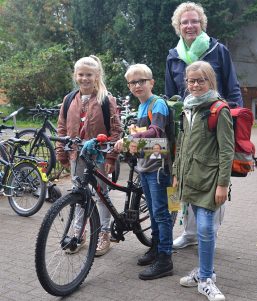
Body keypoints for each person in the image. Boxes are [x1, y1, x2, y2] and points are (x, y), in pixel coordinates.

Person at [165, 1, 243, 250]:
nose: (189, 25)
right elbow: (170, 96)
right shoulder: (173, 56)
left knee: (212, 178)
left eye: (194, 21)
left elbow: (232, 88)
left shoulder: (217, 50)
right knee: (185, 177)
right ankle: (189, 234)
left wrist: (231, 120)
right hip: (186, 126)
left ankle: (209, 233)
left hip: (212, 123)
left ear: (202, 24)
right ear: (178, 26)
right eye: (184, 22)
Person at [173, 60, 234, 301]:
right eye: (191, 80)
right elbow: (182, 146)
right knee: (199, 228)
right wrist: (177, 173)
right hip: (190, 178)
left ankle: (206, 279)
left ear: (210, 81)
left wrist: (223, 184)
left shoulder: (218, 109)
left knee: (206, 228)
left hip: (209, 180)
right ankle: (203, 273)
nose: (195, 84)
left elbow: (226, 151)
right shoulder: (188, 108)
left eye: (201, 80)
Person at [56, 55, 122, 256]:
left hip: (99, 156)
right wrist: (62, 154)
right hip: (77, 155)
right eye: (81, 74)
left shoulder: (106, 100)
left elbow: (116, 130)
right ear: (76, 76)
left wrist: (111, 158)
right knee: (78, 195)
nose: (85, 78)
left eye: (89, 75)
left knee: (101, 195)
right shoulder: (68, 100)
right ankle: (79, 232)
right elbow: (61, 129)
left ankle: (104, 232)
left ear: (97, 76)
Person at [115, 64, 173, 280]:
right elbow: (148, 140)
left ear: (152, 82)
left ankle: (165, 259)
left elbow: (157, 133)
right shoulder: (141, 106)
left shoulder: (157, 104)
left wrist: (131, 140)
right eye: (133, 82)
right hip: (147, 166)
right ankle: (156, 248)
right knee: (153, 210)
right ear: (129, 86)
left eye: (142, 81)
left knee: (160, 213)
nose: (138, 85)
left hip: (159, 168)